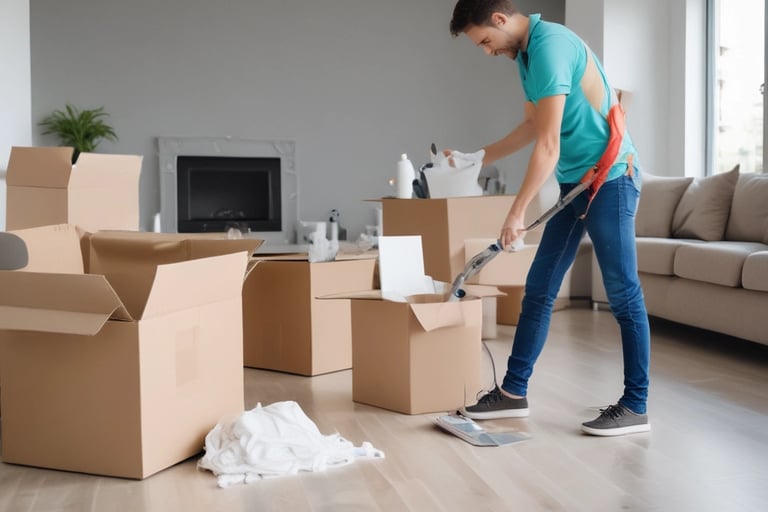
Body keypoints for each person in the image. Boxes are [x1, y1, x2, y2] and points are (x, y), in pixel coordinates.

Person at [449, 0, 651, 436]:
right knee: (539, 289)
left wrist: (516, 212)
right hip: (574, 186)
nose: (487, 51)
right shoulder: (525, 55)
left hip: (611, 178)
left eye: (485, 41)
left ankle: (636, 405)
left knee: (622, 292)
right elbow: (533, 128)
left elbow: (547, 147)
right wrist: (478, 157)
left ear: (500, 20)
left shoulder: (551, 46)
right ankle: (513, 392)